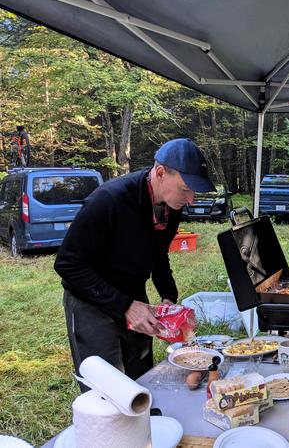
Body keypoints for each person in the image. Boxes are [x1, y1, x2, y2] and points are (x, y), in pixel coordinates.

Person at [55, 138, 215, 385]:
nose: (191, 199)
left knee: (141, 380)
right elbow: (67, 264)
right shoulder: (109, 200)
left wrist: (168, 297)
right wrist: (126, 306)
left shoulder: (170, 206)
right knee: (108, 390)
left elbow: (158, 252)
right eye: (186, 189)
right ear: (160, 173)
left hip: (133, 295)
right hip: (92, 302)